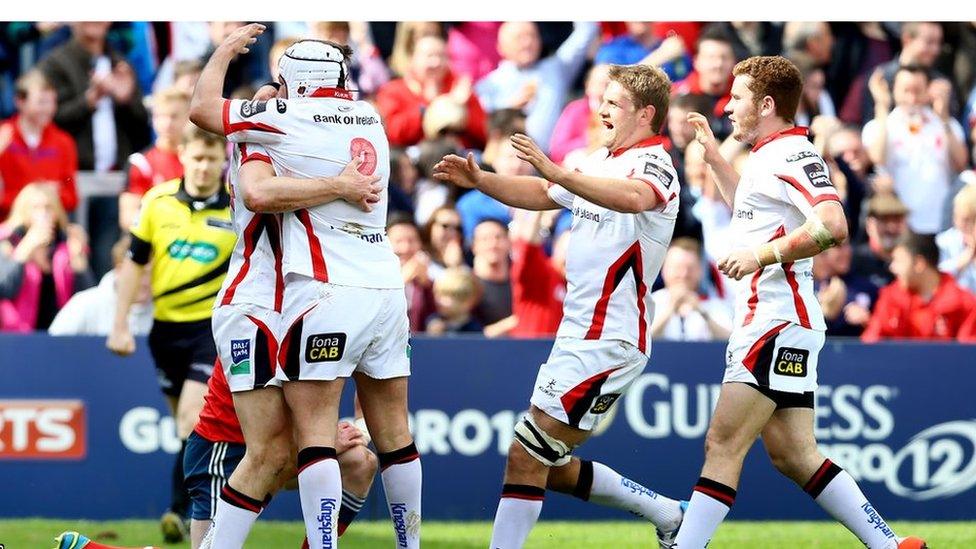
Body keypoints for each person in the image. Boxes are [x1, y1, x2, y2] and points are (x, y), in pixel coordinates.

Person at [680, 54, 926, 549]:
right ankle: (889, 544)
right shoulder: (766, 157)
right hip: (784, 321)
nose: (728, 107)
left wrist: (761, 256)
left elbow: (833, 225)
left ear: (767, 104)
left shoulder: (793, 155)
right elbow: (752, 212)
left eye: (739, 98)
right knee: (795, 455)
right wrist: (714, 158)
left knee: (722, 445)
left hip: (772, 320)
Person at [435, 63, 685, 548]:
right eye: (602, 98)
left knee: (525, 455)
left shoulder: (655, 164)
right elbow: (540, 193)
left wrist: (557, 170)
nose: (601, 108)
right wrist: (482, 180)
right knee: (546, 463)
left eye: (614, 102)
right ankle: (668, 514)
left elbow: (634, 199)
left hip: (610, 337)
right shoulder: (596, 161)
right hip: (578, 333)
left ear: (646, 113)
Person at [189, 25, 420, 548]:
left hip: (308, 295)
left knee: (334, 453)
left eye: (279, 86)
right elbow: (257, 192)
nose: (272, 95)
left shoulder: (279, 124)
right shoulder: (336, 123)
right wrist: (338, 183)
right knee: (269, 452)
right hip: (254, 302)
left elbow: (211, 110)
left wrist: (227, 55)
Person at [106, 124, 234, 543]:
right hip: (165, 329)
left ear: (223, 162)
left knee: (190, 419)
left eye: (212, 160)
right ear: (183, 157)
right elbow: (134, 263)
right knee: (188, 430)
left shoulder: (238, 205)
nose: (203, 167)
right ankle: (205, 506)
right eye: (197, 158)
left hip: (211, 327)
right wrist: (120, 323)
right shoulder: (157, 202)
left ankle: (181, 512)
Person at [185, 360, 378, 549]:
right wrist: (323, 444)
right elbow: (271, 435)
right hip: (225, 450)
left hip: (281, 452)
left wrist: (359, 431)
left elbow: (373, 366)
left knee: (360, 462)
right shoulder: (263, 331)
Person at [863, 64, 968, 235]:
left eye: (918, 91)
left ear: (928, 90)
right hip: (901, 225)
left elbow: (960, 163)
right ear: (894, 90)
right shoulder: (880, 124)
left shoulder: (946, 124)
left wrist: (944, 118)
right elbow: (877, 157)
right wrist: (881, 106)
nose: (912, 98)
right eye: (906, 91)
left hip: (942, 223)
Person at [0, 182, 92, 332]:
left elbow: (87, 298)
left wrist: (79, 265)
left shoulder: (67, 243)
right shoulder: (8, 242)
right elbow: (5, 289)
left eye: (48, 207)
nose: (43, 214)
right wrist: (25, 250)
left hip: (61, 335)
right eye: (35, 208)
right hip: (17, 336)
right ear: (23, 211)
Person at [862, 232, 976, 342]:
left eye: (898, 261)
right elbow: (871, 342)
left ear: (918, 263)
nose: (892, 268)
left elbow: (968, 353)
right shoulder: (890, 298)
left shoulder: (964, 303)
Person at [0, 70, 78, 220]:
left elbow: (72, 198)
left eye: (52, 101)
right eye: (41, 102)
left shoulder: (63, 142)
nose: (49, 109)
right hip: (7, 227)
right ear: (20, 101)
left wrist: (48, 196)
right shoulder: (2, 135)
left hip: (50, 229)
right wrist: (41, 194)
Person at [48, 234, 153, 336]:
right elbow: (52, 346)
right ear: (120, 270)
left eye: (152, 273)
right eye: (141, 274)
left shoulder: (163, 311)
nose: (146, 282)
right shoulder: (85, 304)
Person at [118, 87, 190, 230]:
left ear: (188, 117)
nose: (167, 123)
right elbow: (127, 217)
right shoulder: (141, 163)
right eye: (161, 116)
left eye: (174, 116)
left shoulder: (199, 160)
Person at [650, 238, 732, 341]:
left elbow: (729, 342)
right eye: (677, 268)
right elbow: (641, 342)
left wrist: (701, 312)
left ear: (700, 271)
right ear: (664, 269)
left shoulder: (714, 305)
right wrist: (670, 310)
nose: (684, 274)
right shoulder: (652, 302)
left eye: (690, 268)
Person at [936, 183, 976, 294]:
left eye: (969, 219)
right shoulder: (944, 242)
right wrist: (968, 255)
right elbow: (936, 276)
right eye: (959, 217)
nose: (961, 223)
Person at [425, 266, 484, 335]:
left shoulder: (474, 329)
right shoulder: (433, 321)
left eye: (449, 295)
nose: (440, 301)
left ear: (467, 302)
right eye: (439, 294)